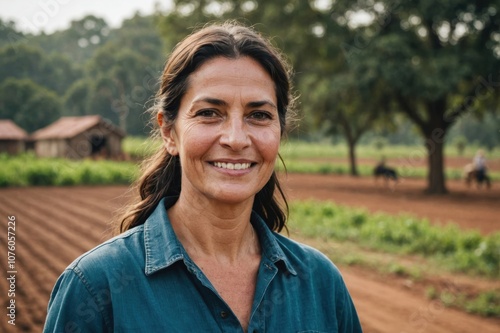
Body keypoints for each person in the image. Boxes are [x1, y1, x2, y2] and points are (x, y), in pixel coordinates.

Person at [44, 22, 363, 332]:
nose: (236, 139)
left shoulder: (321, 283)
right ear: (169, 132)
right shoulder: (95, 287)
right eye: (209, 113)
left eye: (258, 115)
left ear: (280, 131)